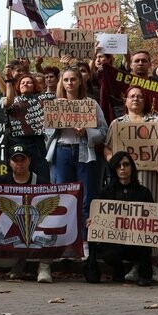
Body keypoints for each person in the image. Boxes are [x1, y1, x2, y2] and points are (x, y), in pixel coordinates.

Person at [102, 85, 158, 283]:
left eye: (139, 96)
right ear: (126, 101)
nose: (136, 99)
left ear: (145, 100)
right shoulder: (117, 123)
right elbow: (107, 148)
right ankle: (136, 264)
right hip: (126, 179)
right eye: (132, 96)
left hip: (152, 176)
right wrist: (115, 164)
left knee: (153, 219)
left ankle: (153, 266)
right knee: (131, 220)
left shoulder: (157, 121)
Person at [45, 67, 107, 226]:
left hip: (84, 153)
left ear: (80, 81)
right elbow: (45, 134)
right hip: (62, 152)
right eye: (66, 80)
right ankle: (66, 241)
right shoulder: (55, 104)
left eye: (73, 79)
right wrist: (56, 123)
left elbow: (104, 132)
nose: (69, 83)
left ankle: (86, 240)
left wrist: (87, 132)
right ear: (61, 83)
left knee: (87, 197)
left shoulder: (90, 104)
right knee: (63, 195)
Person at [88, 151, 155, 286]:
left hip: (136, 242)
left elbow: (154, 220)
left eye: (126, 164)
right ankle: (117, 270)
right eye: (119, 166)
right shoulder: (105, 192)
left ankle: (145, 275)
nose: (122, 168)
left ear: (132, 167)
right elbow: (97, 215)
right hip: (114, 243)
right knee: (109, 253)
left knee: (146, 241)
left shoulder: (144, 192)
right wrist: (92, 221)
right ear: (114, 169)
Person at [0, 144, 47, 280]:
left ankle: (45, 267)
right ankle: (18, 263)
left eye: (22, 159)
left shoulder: (41, 182)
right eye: (15, 160)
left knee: (50, 231)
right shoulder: (0, 182)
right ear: (9, 162)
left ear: (29, 160)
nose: (19, 163)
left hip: (36, 228)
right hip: (11, 230)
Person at [4, 73, 49, 183]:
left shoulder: (42, 100)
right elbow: (7, 101)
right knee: (18, 173)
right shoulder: (12, 101)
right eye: (22, 83)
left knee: (41, 173)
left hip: (37, 142)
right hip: (17, 142)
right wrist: (8, 80)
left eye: (29, 82)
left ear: (34, 86)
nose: (25, 84)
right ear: (18, 87)